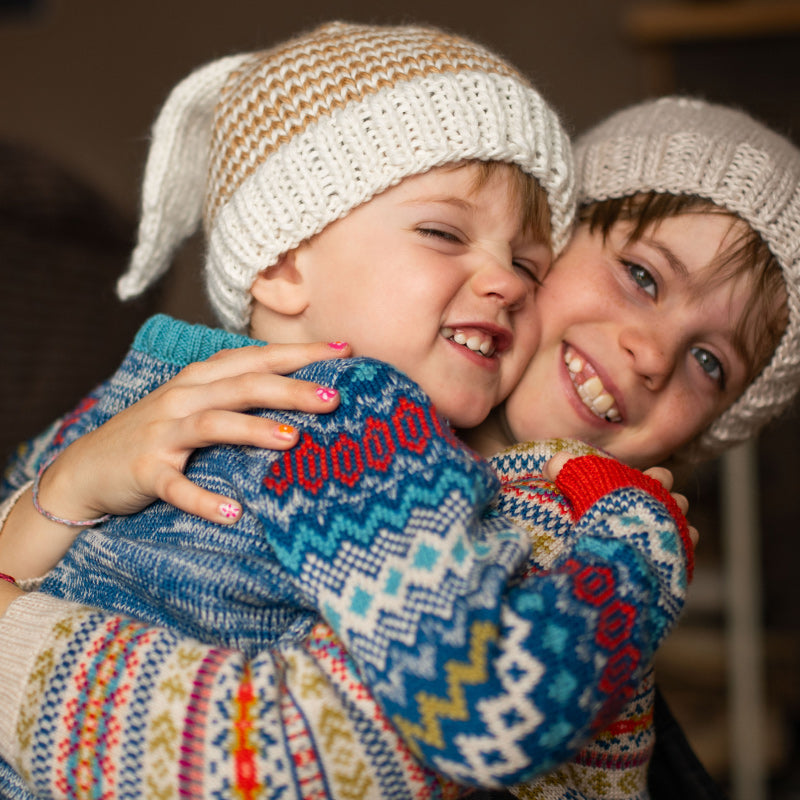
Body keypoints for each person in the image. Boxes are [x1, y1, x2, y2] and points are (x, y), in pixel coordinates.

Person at [0, 21, 697, 800]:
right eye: (443, 233)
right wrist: (642, 545)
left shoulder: (145, 380)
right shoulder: (360, 418)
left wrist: (50, 497)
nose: (505, 282)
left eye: (528, 264)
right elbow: (482, 714)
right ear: (283, 264)